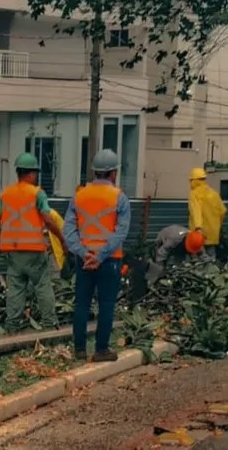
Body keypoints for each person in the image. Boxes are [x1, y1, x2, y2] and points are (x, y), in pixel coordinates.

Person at [64, 149, 131, 362]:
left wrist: (84, 254)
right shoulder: (119, 198)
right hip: (109, 261)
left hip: (84, 260)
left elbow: (69, 231)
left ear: (94, 172)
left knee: (82, 304)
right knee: (106, 304)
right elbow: (121, 232)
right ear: (113, 173)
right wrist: (100, 256)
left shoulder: (78, 196)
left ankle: (79, 349)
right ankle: (101, 350)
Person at [0, 152, 66, 332]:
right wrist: (62, 239)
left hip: (12, 252)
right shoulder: (38, 193)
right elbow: (48, 220)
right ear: (31, 173)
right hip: (34, 251)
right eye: (35, 173)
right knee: (43, 286)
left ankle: (12, 326)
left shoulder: (6, 194)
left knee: (15, 290)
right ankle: (49, 324)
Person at [188, 167, 227, 259]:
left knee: (197, 259)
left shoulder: (194, 194)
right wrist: (218, 225)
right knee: (211, 258)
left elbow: (196, 210)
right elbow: (223, 211)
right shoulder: (214, 193)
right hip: (213, 233)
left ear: (194, 180)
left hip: (198, 234)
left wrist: (198, 228)